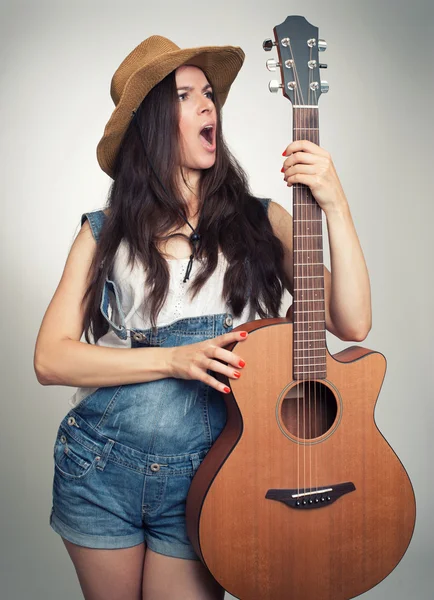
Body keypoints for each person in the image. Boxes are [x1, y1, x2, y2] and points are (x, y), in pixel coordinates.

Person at [34, 34, 371, 600]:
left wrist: (334, 202)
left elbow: (354, 323)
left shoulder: (264, 221)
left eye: (208, 93)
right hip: (100, 467)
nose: (208, 104)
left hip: (215, 473)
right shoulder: (103, 230)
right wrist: (173, 359)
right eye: (186, 95)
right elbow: (50, 358)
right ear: (151, 125)